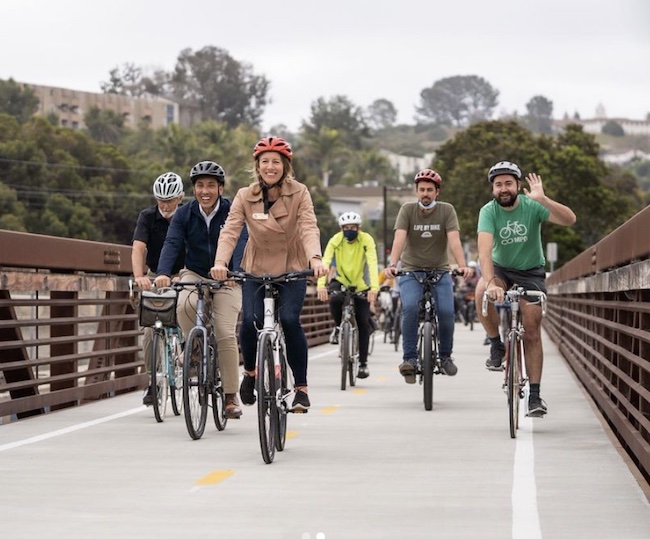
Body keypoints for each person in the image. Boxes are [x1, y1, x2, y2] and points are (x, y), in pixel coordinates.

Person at [210, 136, 327, 412]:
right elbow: (230, 230)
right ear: (257, 166)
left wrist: (316, 259)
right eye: (265, 162)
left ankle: (300, 388)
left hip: (292, 266)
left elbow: (309, 226)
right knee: (250, 320)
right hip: (256, 267)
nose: (270, 167)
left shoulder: (299, 193)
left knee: (288, 319)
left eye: (276, 162)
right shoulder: (244, 195)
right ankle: (250, 372)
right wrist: (220, 262)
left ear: (285, 166)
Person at [476, 161, 576, 417]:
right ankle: (497, 344)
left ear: (518, 186)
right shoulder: (488, 211)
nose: (503, 188)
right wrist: (489, 284)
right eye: (498, 185)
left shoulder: (533, 207)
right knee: (480, 292)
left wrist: (544, 199)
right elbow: (484, 252)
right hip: (501, 269)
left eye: (508, 183)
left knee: (531, 329)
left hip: (531, 271)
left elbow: (569, 220)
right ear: (493, 190)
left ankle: (534, 395)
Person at [154, 160, 247, 419]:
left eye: (210, 186)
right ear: (193, 189)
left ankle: (230, 395)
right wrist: (162, 272)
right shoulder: (185, 214)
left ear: (220, 188)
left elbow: (241, 241)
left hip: (227, 276)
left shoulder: (232, 210)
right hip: (195, 272)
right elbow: (172, 242)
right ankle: (193, 349)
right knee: (184, 304)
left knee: (225, 333)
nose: (205, 191)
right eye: (199, 186)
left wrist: (236, 272)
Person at [384, 168, 473, 383]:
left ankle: (445, 357)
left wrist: (462, 265)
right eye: (422, 189)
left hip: (440, 271)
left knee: (445, 311)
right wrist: (392, 264)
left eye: (430, 190)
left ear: (437, 192)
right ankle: (410, 360)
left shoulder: (446, 210)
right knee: (411, 308)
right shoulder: (407, 210)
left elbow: (454, 240)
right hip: (411, 271)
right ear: (416, 191)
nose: (425, 193)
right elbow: (399, 238)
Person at [131, 172, 185, 405]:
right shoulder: (147, 217)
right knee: (150, 328)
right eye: (160, 199)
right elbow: (138, 248)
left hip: (184, 273)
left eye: (170, 199)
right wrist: (139, 276)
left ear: (180, 198)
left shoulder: (187, 215)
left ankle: (190, 354)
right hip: (155, 275)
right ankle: (153, 382)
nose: (164, 204)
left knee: (189, 310)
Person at [316, 211, 379, 379]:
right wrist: (321, 285)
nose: (349, 230)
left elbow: (372, 264)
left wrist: (374, 288)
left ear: (359, 228)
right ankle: (338, 328)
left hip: (360, 284)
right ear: (341, 228)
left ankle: (363, 364)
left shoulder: (366, 240)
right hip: (341, 279)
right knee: (335, 298)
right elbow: (325, 261)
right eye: (346, 228)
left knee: (363, 322)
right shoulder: (335, 240)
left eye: (353, 227)